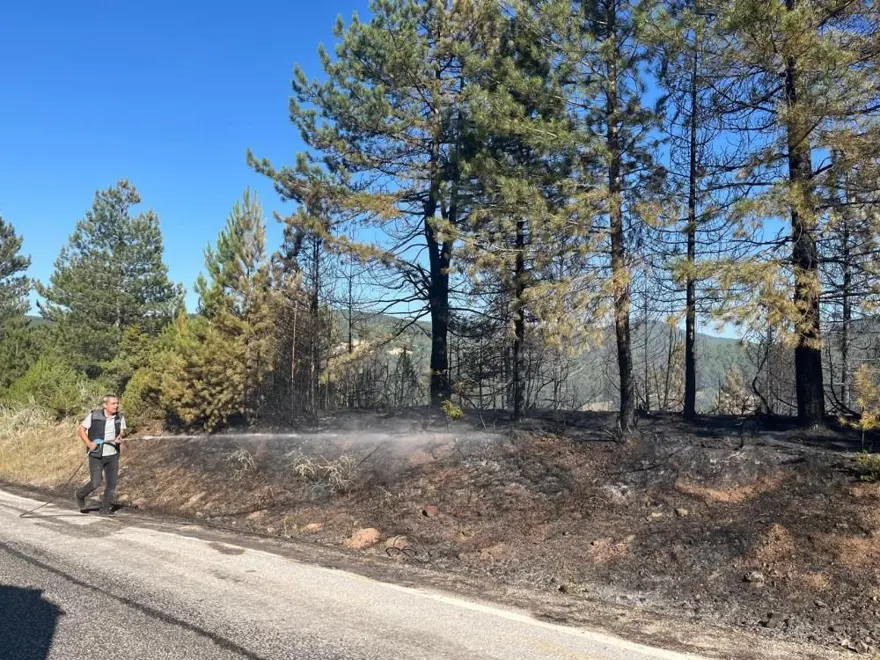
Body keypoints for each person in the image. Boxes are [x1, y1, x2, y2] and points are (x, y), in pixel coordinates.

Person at [74, 394, 127, 515]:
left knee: (112, 484)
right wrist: (89, 443)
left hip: (113, 454)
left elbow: (122, 431)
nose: (116, 406)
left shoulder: (120, 417)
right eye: (113, 403)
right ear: (105, 405)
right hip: (96, 454)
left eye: (117, 403)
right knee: (96, 482)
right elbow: (81, 430)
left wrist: (120, 436)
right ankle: (79, 494)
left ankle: (105, 508)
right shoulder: (94, 415)